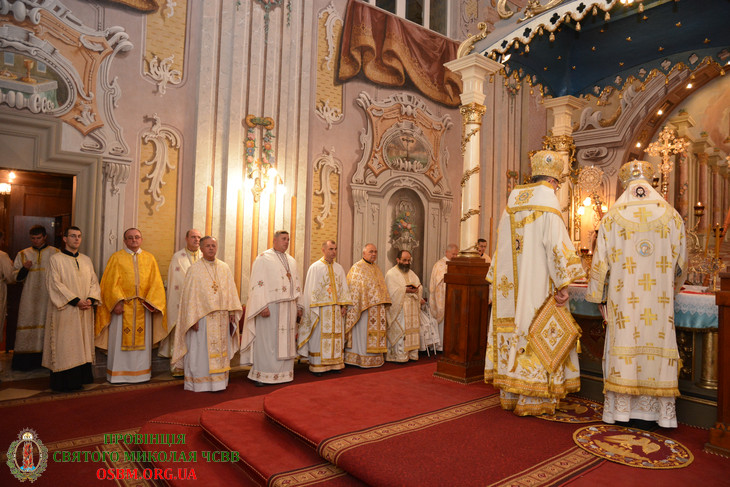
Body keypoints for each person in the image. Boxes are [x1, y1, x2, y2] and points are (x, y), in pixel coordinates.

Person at [586, 160, 687, 428]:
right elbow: (682, 265)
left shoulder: (611, 218)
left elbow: (599, 265)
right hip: (660, 304)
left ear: (625, 184)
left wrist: (599, 297)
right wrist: (671, 289)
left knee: (624, 344)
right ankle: (660, 416)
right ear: (651, 183)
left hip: (624, 304)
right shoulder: (672, 216)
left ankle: (621, 412)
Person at [485, 150, 585, 416]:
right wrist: (563, 284)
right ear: (552, 182)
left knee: (513, 329)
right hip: (537, 284)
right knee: (535, 327)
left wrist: (495, 279)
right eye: (557, 185)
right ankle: (532, 397)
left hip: (508, 287)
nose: (556, 189)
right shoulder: (548, 203)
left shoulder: (512, 202)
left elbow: (500, 244)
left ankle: (510, 393)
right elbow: (556, 246)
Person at [95, 228, 167, 383]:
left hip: (144, 307)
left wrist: (152, 302)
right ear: (124, 240)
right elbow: (109, 283)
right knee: (119, 341)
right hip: (122, 308)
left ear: (141, 239)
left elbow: (156, 282)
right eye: (130, 237)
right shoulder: (116, 258)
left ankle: (142, 374)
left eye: (137, 237)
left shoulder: (149, 258)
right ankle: (118, 374)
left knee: (143, 343)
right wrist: (116, 302)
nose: (134, 240)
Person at [171, 236, 241, 392]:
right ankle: (200, 383)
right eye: (208, 246)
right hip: (202, 318)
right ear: (201, 249)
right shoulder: (194, 270)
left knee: (220, 351)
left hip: (222, 318)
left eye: (213, 245)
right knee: (200, 351)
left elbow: (231, 291)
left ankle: (220, 383)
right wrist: (191, 319)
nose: (211, 248)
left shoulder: (224, 267)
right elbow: (189, 297)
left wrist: (231, 310)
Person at [42, 226, 101, 392]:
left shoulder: (86, 260)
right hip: (66, 310)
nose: (76, 239)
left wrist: (90, 299)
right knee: (66, 344)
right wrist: (75, 301)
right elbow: (54, 284)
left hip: (84, 310)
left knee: (82, 343)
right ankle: (64, 383)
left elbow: (94, 282)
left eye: (79, 236)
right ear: (65, 239)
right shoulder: (55, 259)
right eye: (73, 236)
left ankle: (80, 379)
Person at [240, 230, 302, 386]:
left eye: (288, 239)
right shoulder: (263, 258)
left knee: (285, 343)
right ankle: (263, 375)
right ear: (274, 240)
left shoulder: (292, 260)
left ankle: (284, 374)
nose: (286, 242)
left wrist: (299, 305)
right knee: (267, 342)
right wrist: (261, 306)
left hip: (289, 308)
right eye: (283, 239)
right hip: (270, 308)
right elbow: (257, 284)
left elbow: (297, 283)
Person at [298, 240, 352, 375]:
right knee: (319, 337)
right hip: (320, 311)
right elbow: (309, 291)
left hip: (336, 310)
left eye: (335, 249)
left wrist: (344, 305)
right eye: (330, 249)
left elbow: (343, 289)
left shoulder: (339, 268)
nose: (333, 252)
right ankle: (318, 366)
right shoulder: (315, 268)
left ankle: (335, 364)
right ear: (323, 250)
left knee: (336, 338)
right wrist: (312, 309)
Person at [12, 225, 59, 370]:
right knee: (27, 322)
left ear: (45, 237)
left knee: (47, 324)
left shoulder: (55, 253)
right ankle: (25, 363)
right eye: (33, 238)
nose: (35, 241)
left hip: (47, 297)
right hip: (29, 297)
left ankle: (45, 362)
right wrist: (24, 269)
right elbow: (14, 277)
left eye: (38, 238)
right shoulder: (23, 254)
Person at [159, 228, 202, 376]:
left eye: (199, 237)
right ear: (186, 239)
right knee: (182, 334)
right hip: (182, 303)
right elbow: (175, 283)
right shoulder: (178, 257)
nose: (196, 240)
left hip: (201, 305)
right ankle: (179, 367)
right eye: (193, 237)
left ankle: (197, 367)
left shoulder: (204, 256)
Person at [344, 244, 391, 368]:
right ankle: (360, 358)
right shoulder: (357, 268)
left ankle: (375, 359)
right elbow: (353, 289)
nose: (374, 254)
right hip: (363, 309)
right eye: (371, 251)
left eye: (375, 252)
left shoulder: (377, 268)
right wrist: (365, 301)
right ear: (364, 253)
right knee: (362, 334)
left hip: (377, 309)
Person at [384, 249, 423, 363]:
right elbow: (390, 292)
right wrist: (404, 290)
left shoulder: (412, 273)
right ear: (398, 260)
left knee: (411, 331)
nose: (407, 263)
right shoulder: (391, 274)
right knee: (402, 331)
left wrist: (417, 289)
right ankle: (399, 355)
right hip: (400, 309)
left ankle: (411, 354)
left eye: (408, 260)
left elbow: (419, 286)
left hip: (411, 308)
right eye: (404, 260)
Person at [428, 243, 458, 351]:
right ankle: (441, 346)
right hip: (442, 298)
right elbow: (439, 284)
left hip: (453, 298)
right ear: (447, 252)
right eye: (453, 254)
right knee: (443, 323)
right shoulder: (440, 265)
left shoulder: (455, 264)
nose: (455, 256)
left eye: (456, 254)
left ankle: (450, 344)